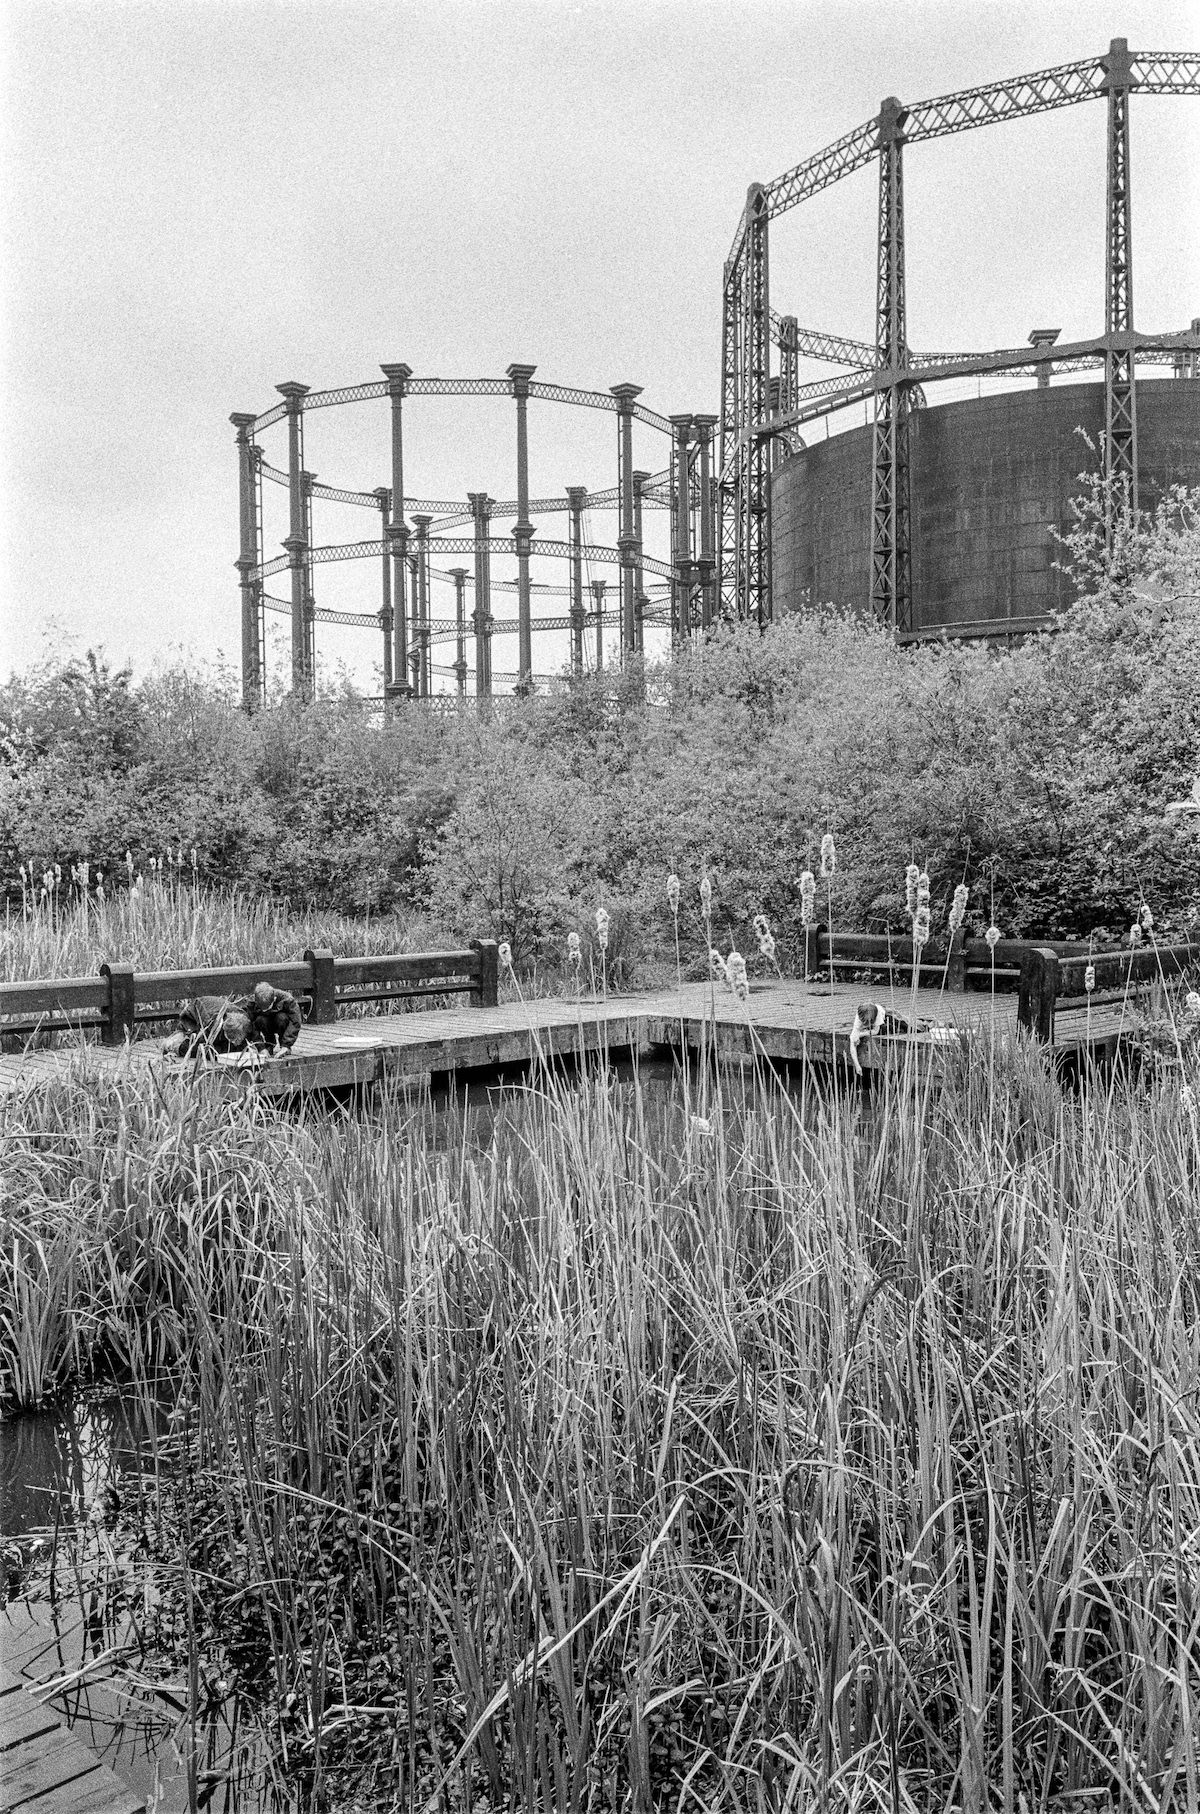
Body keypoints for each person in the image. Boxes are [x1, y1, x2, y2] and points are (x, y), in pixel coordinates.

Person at [165, 995, 253, 1060]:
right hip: (192, 1018)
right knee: (210, 1052)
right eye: (233, 1039)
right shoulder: (211, 1023)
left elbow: (253, 1034)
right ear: (224, 1030)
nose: (235, 1043)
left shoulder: (244, 1018)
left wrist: (261, 1048)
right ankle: (174, 1044)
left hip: (214, 1010)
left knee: (234, 1049)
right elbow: (202, 1046)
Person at [246, 980, 303, 1054]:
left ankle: (284, 1046)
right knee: (260, 1019)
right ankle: (269, 1045)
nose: (264, 1011)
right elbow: (251, 1026)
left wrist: (286, 1045)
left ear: (274, 999)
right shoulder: (252, 1003)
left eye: (267, 1008)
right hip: (265, 1024)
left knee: (281, 1018)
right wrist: (260, 1047)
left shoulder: (287, 999)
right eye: (262, 1009)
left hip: (279, 1022)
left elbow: (295, 1022)